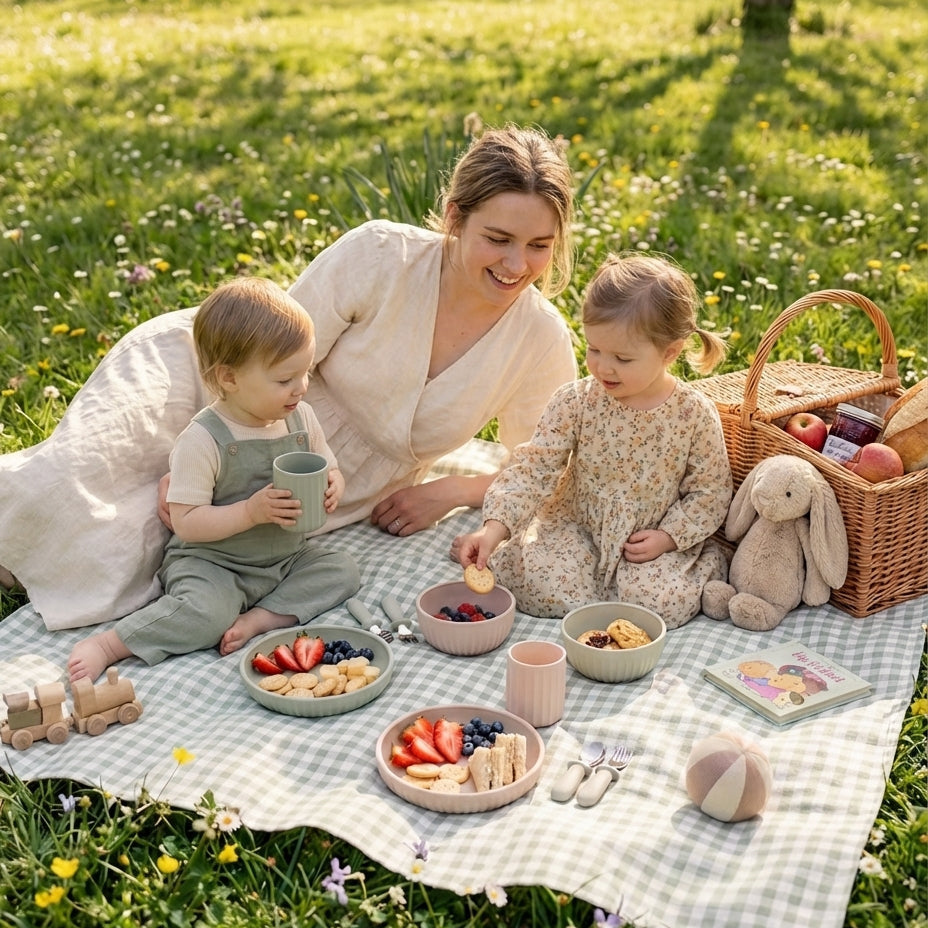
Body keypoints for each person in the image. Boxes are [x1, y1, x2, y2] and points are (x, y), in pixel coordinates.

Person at [0, 123, 578, 630]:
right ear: (455, 217)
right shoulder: (380, 256)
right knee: (68, 481)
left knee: (146, 550)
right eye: (498, 239)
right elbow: (265, 347)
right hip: (214, 375)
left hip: (311, 469)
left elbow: (549, 463)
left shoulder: (540, 338)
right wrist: (194, 457)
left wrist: (451, 491)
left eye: (538, 247)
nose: (515, 265)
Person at [67, 278, 360, 682]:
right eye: (284, 380)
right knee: (205, 614)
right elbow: (186, 522)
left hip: (285, 557)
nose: (301, 387)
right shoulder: (203, 439)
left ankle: (260, 618)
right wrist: (250, 511)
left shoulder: (300, 418)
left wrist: (334, 486)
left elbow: (329, 467)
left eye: (304, 373)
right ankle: (112, 644)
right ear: (229, 378)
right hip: (213, 562)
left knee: (341, 569)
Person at [452, 252, 733, 627]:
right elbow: (533, 470)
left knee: (662, 601)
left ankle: (626, 597)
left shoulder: (693, 414)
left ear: (670, 352)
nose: (602, 366)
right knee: (541, 580)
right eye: (594, 349)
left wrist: (667, 537)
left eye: (622, 358)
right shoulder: (576, 401)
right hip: (576, 528)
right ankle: (565, 588)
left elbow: (710, 491)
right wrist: (493, 529)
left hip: (645, 544)